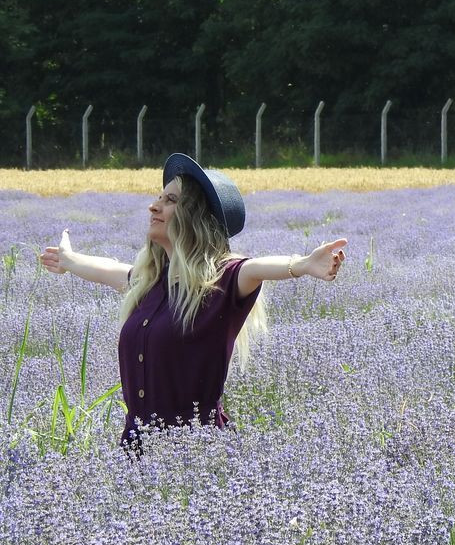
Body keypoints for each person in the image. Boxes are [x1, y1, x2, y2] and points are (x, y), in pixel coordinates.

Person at [39, 153, 346, 447]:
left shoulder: (221, 284)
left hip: (195, 454)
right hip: (136, 452)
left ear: (195, 217)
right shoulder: (149, 282)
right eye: (159, 197)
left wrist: (302, 264)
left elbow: (255, 268)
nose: (153, 206)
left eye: (170, 200)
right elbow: (107, 269)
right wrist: (69, 260)